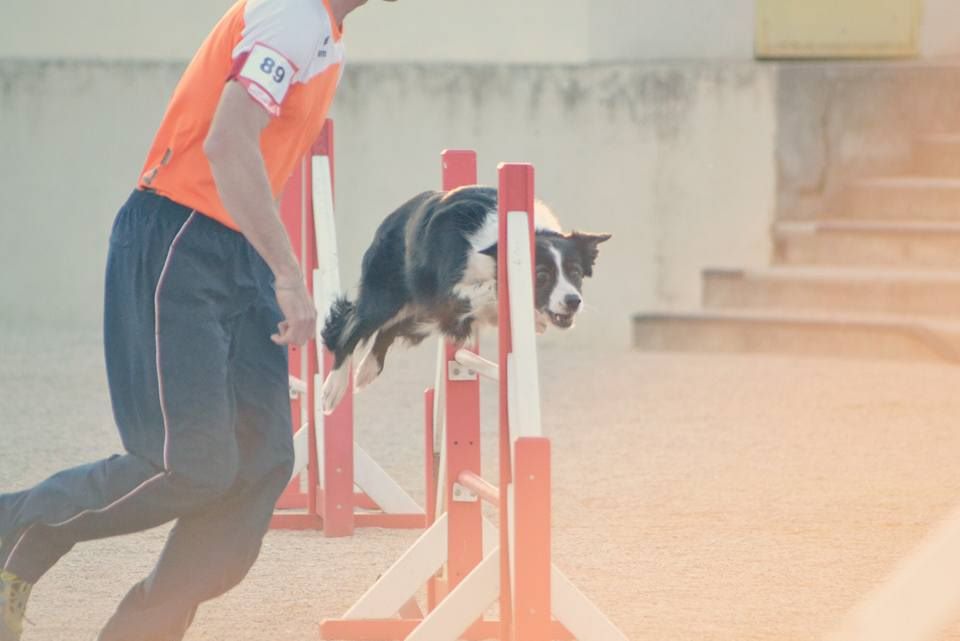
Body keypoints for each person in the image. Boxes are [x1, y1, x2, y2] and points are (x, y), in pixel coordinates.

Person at [0, 0, 394, 638]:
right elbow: (226, 140)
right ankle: (13, 525)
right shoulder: (295, 13)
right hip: (179, 238)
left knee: (258, 462)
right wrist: (290, 274)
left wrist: (268, 269)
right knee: (189, 463)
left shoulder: (327, 33)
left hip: (235, 251)